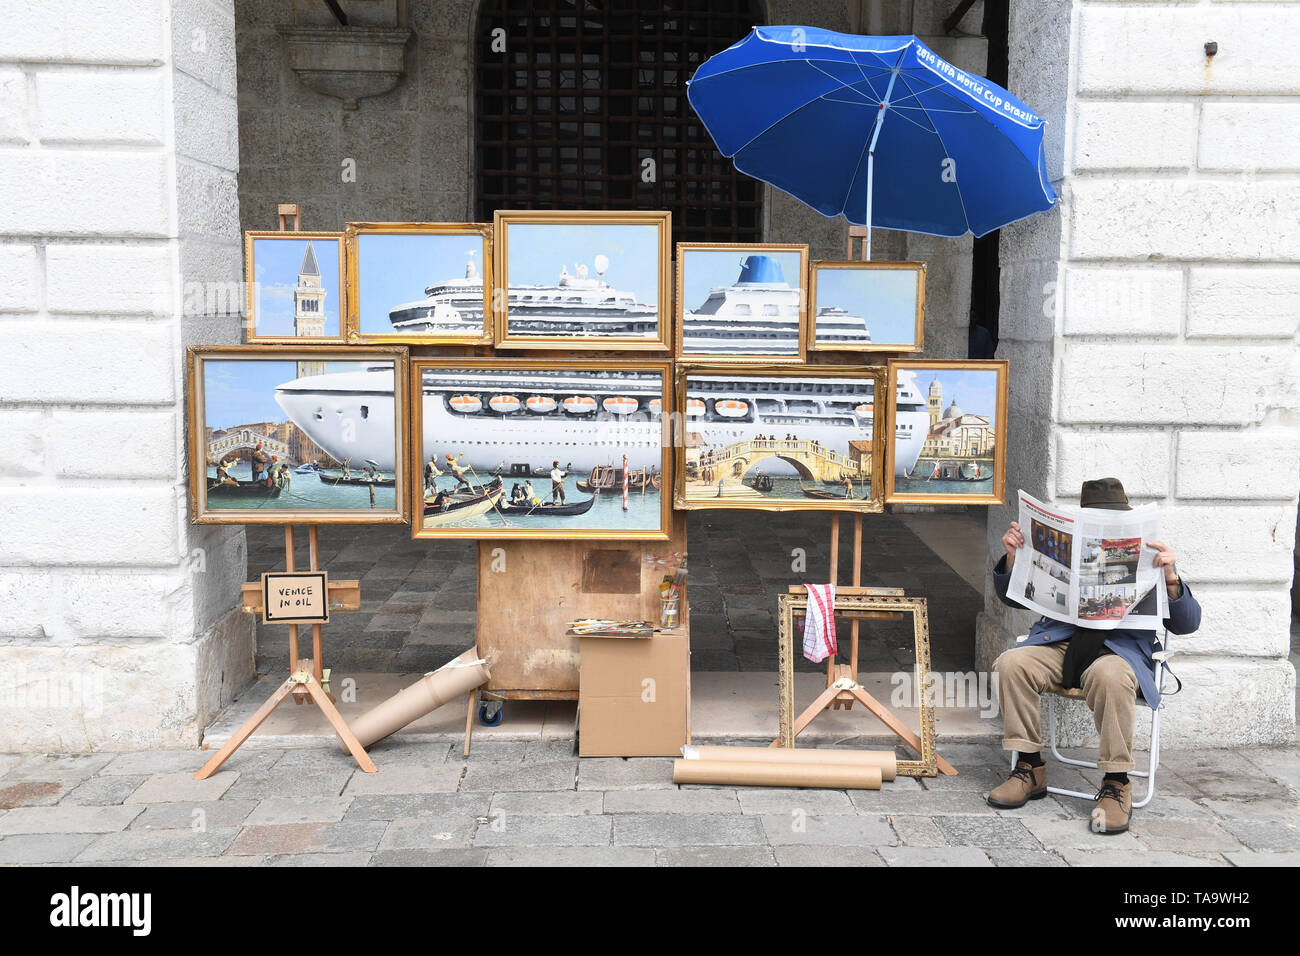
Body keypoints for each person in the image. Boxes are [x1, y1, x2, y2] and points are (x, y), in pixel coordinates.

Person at [987, 477, 1201, 835]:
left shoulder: (1150, 555)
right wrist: (1014, 558)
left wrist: (1171, 578)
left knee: (1110, 675)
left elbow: (1188, 623)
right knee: (1011, 663)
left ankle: (1117, 783)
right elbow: (1012, 597)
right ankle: (1028, 767)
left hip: (1119, 652)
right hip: (1060, 642)